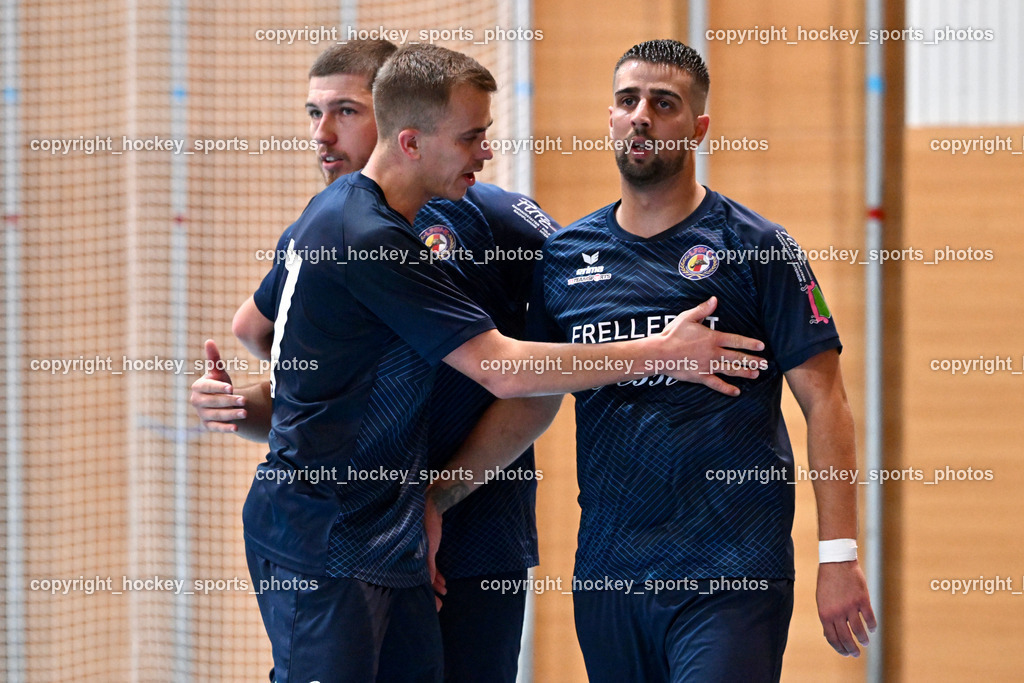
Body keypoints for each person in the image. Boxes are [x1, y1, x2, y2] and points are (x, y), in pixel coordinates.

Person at [194, 42, 766, 683]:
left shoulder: (442, 220)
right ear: (410, 139)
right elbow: (500, 367)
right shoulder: (364, 234)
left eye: (344, 110)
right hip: (328, 530)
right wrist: (661, 352)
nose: (486, 150)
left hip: (410, 526)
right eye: (472, 136)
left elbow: (574, 297)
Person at [425, 39, 875, 683]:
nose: (641, 116)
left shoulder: (759, 248)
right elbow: (529, 400)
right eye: (627, 100)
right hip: (611, 574)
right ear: (609, 117)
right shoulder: (565, 257)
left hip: (732, 571)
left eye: (664, 104)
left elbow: (826, 403)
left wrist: (839, 556)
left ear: (698, 127)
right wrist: (440, 497)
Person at [194, 39, 557, 683]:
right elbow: (257, 331)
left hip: (474, 523)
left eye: (345, 112)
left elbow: (534, 382)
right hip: (365, 523)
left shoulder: (501, 224)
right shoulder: (337, 222)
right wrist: (242, 404)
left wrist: (439, 498)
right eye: (313, 114)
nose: (323, 136)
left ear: (401, 122)